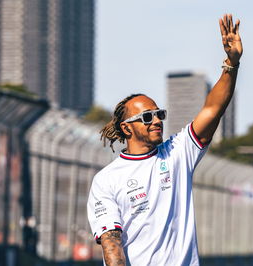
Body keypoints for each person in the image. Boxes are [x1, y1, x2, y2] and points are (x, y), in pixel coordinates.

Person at [87, 14, 242, 266]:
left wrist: (231, 64)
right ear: (127, 129)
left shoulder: (177, 152)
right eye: (147, 117)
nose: (157, 120)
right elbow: (111, 242)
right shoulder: (107, 179)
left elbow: (213, 109)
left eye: (159, 114)